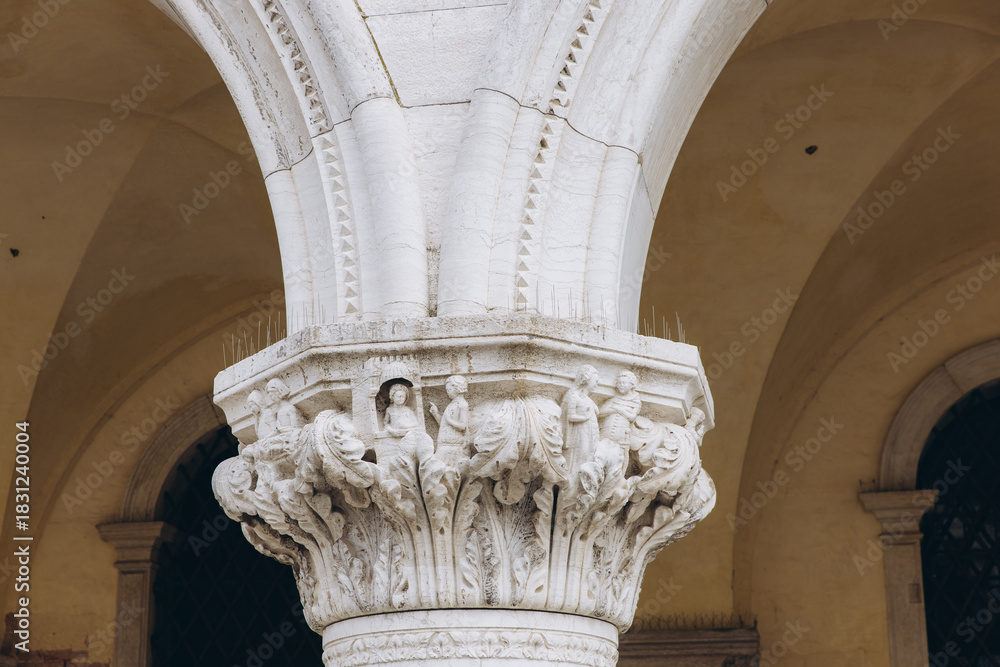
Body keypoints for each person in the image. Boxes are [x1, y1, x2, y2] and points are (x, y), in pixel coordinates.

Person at [561, 365, 600, 473]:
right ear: (586, 380)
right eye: (595, 381)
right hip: (579, 434)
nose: (597, 384)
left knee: (589, 455)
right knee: (579, 456)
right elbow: (570, 416)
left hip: (590, 434)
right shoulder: (573, 395)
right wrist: (585, 417)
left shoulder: (588, 399)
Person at [429, 375, 469, 464]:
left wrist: (449, 420)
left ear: (458, 389)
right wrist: (436, 414)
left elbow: (463, 426)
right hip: (444, 443)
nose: (448, 392)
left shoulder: (463, 404)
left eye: (449, 390)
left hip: (453, 445)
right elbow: (443, 425)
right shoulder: (452, 404)